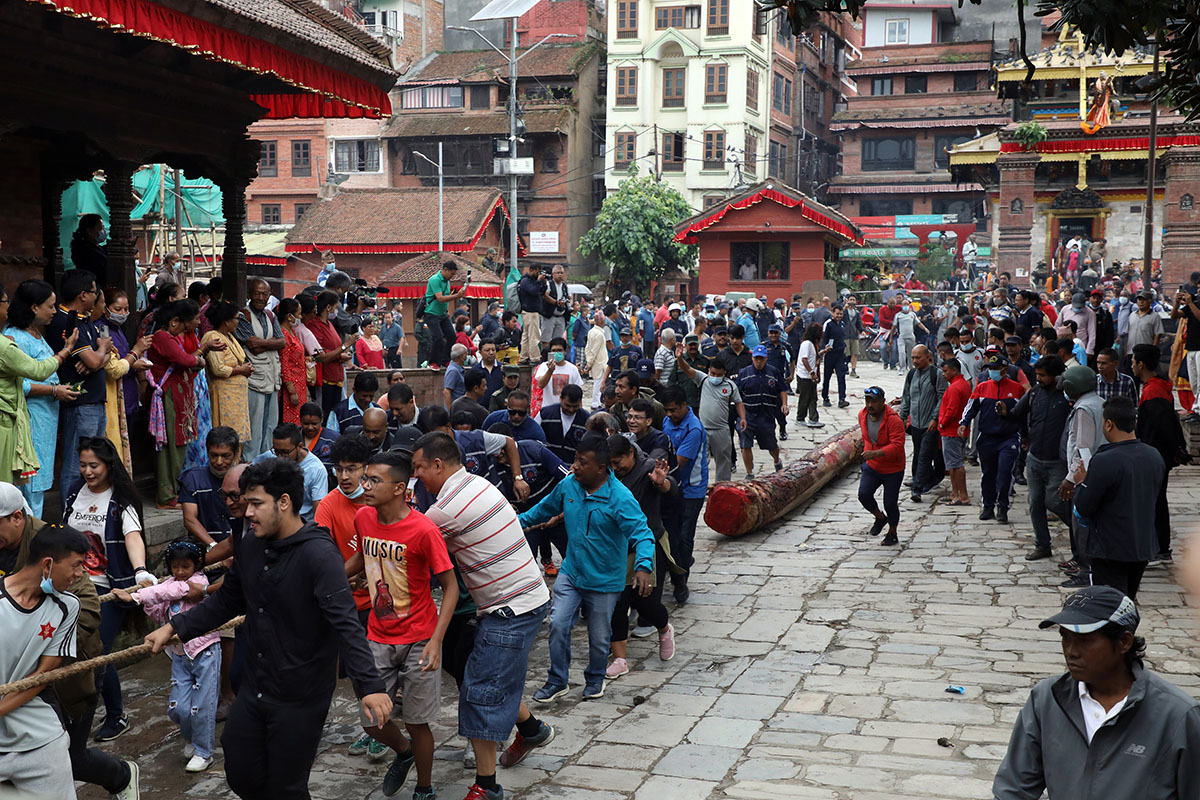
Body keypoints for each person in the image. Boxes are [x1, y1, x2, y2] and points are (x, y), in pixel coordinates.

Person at [146, 458, 392, 800]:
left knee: (286, 787)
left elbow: (347, 626)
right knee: (241, 770)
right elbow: (225, 602)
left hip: (301, 696)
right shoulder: (250, 547)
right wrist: (174, 626)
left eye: (256, 504)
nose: (247, 513)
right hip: (256, 684)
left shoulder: (320, 556)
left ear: (285, 502)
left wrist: (370, 687)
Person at [412, 432, 552, 798]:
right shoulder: (476, 483)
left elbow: (410, 542)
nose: (416, 478)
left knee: (480, 692)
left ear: (438, 465)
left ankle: (486, 787)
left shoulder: (447, 508)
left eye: (419, 469)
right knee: (481, 671)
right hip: (523, 598)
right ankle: (531, 729)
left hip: (510, 609)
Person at [993, 586, 1200, 799]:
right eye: (1065, 637)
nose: (1071, 651)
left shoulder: (1178, 717)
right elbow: (1013, 789)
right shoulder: (1046, 699)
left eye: (1085, 640)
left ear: (1124, 642)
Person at [344, 451, 458, 799]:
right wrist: (330, 580)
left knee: (418, 722)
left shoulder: (423, 530)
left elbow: (451, 587)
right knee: (370, 718)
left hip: (419, 638)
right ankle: (404, 752)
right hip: (378, 635)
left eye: (374, 480)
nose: (365, 485)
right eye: (365, 478)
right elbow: (362, 557)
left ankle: (424, 788)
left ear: (398, 489)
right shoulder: (364, 518)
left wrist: (437, 640)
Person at [521, 433, 654, 703]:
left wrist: (643, 566)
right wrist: (513, 523)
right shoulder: (569, 486)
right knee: (558, 623)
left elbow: (642, 533)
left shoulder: (620, 498)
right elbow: (542, 509)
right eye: (575, 460)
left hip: (605, 580)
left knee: (599, 635)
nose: (574, 467)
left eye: (582, 462)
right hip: (572, 572)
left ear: (601, 469)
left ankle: (594, 678)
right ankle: (557, 680)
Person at [62, 437, 151, 742]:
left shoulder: (121, 498)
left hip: (108, 590)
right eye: (84, 464)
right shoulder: (74, 490)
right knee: (76, 654)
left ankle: (114, 715)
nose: (88, 471)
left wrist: (140, 571)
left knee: (98, 651)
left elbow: (133, 536)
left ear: (108, 465)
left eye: (94, 465)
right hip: (71, 586)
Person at [111, 540, 220, 772]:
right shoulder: (168, 584)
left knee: (202, 706)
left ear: (196, 566)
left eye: (185, 567)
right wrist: (147, 600)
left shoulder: (198, 582)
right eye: (175, 567)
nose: (179, 573)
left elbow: (173, 591)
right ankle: (191, 739)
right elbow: (159, 610)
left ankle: (204, 751)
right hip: (180, 653)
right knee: (178, 708)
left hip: (205, 649)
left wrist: (137, 596)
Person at [0, 523, 86, 799]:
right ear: (48, 564)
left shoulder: (67, 606)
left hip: (37, 736)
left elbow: (42, 676)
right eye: (75, 565)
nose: (80, 574)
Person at [1070, 396, 1163, 599]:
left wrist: (1081, 483)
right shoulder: (1154, 456)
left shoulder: (1104, 460)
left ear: (1109, 424)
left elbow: (1083, 509)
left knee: (1108, 603)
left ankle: (1121, 631)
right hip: (1142, 545)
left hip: (1109, 548)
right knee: (1128, 599)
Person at [604, 435, 676, 680]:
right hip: (617, 547)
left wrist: (661, 483)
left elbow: (672, 489)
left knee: (644, 601)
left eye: (618, 462)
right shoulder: (607, 475)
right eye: (610, 463)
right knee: (618, 601)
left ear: (631, 455)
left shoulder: (648, 469)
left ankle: (664, 628)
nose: (615, 468)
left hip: (647, 544)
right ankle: (620, 658)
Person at [2, 280, 78, 513]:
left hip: (45, 416)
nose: (55, 311)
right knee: (28, 481)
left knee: (39, 477)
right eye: (51, 306)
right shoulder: (14, 338)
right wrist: (54, 390)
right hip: (28, 417)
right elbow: (24, 383)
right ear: (34, 307)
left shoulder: (34, 332)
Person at [147, 299, 221, 507]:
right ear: (176, 321)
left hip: (181, 396)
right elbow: (186, 360)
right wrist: (199, 359)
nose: (199, 322)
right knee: (170, 445)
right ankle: (166, 495)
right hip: (170, 396)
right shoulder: (163, 337)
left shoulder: (174, 337)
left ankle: (172, 491)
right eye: (195, 318)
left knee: (180, 444)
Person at [45, 269, 112, 495]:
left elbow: (101, 358)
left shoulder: (84, 320)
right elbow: (97, 358)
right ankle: (70, 518)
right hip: (80, 403)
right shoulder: (66, 321)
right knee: (78, 465)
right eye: (94, 293)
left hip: (94, 400)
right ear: (83, 295)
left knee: (95, 461)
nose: (96, 297)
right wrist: (100, 350)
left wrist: (98, 357)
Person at [1003, 355, 1071, 561]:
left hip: (1057, 461)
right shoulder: (1034, 393)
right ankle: (1042, 544)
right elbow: (1017, 413)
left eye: (1043, 376)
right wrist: (1005, 412)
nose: (1039, 379)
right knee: (1035, 503)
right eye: (1038, 375)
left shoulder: (1067, 397)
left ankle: (1080, 531)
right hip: (1035, 457)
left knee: (1055, 502)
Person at [1131, 343, 1190, 562]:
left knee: (1153, 501)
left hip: (1155, 454)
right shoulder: (1156, 387)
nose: (1132, 365)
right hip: (1158, 453)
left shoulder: (1153, 391)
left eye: (1134, 362)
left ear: (1141, 364)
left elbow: (1164, 425)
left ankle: (1158, 547)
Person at [959, 353, 1025, 523]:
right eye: (990, 369)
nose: (992, 372)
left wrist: (1025, 435)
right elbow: (971, 407)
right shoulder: (982, 387)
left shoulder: (1016, 389)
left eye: (996, 369)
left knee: (1004, 473)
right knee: (988, 474)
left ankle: (1002, 507)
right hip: (987, 438)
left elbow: (1024, 414)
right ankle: (988, 506)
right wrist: (964, 422)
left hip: (1008, 438)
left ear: (1004, 369)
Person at [1059, 365, 1107, 588]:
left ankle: (1086, 571)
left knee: (1082, 524)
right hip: (1100, 471)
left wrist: (1071, 478)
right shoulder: (1099, 402)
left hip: (1085, 476)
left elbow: (1083, 448)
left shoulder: (1084, 409)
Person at [660, 386, 707, 603]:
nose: (669, 415)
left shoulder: (694, 429)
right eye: (666, 410)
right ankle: (680, 563)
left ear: (684, 406)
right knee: (671, 533)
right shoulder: (668, 421)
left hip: (691, 488)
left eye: (673, 410)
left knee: (685, 534)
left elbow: (678, 462)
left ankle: (681, 581)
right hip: (671, 486)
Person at [100, 288, 151, 473]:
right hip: (113, 390)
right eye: (117, 309)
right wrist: (135, 353)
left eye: (126, 309)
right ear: (105, 308)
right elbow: (114, 365)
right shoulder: (103, 329)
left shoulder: (118, 329)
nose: (123, 314)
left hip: (128, 389)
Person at [236, 279, 285, 461]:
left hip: (272, 378)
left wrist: (263, 343)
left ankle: (267, 461)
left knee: (270, 424)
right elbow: (251, 345)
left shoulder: (270, 316)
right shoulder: (243, 316)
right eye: (257, 293)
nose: (261, 298)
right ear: (249, 294)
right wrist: (270, 343)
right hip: (254, 379)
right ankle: (250, 463)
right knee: (254, 426)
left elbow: (282, 342)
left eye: (265, 294)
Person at [202, 300, 253, 451]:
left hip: (238, 395)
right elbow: (218, 369)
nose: (239, 322)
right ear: (226, 321)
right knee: (226, 438)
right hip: (224, 394)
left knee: (238, 438)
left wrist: (246, 369)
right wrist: (240, 370)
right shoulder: (212, 337)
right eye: (237, 318)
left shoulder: (230, 336)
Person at [857, 386, 905, 545]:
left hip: (893, 469)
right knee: (864, 495)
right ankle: (880, 517)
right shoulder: (862, 415)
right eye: (867, 400)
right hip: (872, 466)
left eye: (874, 401)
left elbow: (898, 445)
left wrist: (876, 453)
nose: (870, 405)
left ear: (883, 402)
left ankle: (892, 533)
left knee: (890, 503)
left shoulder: (894, 420)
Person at [899, 344, 946, 503]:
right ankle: (923, 479)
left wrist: (935, 418)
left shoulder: (936, 374)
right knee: (919, 452)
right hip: (916, 424)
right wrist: (902, 418)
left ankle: (917, 488)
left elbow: (942, 397)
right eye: (913, 358)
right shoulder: (911, 374)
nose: (915, 361)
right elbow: (906, 397)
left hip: (930, 424)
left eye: (918, 357)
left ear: (928, 357)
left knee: (925, 455)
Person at [253, 423, 330, 519]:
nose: (280, 457)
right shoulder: (271, 456)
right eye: (277, 452)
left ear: (300, 447)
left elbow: (318, 511)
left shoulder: (316, 470)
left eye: (285, 453)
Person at [738, 344, 788, 477]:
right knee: (745, 444)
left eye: (761, 359)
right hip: (748, 414)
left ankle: (777, 460)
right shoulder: (744, 374)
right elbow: (737, 396)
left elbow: (782, 389)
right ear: (752, 358)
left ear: (766, 358)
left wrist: (784, 404)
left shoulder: (773, 372)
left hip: (766, 414)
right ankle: (749, 472)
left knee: (771, 444)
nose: (759, 361)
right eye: (756, 359)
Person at [310, 291, 355, 416]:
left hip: (337, 376)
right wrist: (345, 346)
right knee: (325, 414)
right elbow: (320, 355)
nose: (336, 311)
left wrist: (342, 355)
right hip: (325, 379)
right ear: (328, 307)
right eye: (335, 308)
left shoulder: (329, 324)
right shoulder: (315, 325)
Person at [936, 358, 972, 506]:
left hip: (951, 431)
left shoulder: (955, 388)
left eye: (945, 371)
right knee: (952, 463)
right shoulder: (963, 385)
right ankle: (954, 493)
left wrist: (942, 424)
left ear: (954, 370)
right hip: (957, 430)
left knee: (956, 464)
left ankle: (962, 495)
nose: (943, 374)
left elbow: (952, 411)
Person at [423, 261, 466, 369]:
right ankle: (433, 362)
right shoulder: (435, 280)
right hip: (432, 314)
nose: (452, 277)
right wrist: (457, 296)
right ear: (445, 270)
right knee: (438, 338)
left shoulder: (447, 281)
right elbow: (440, 298)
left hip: (443, 314)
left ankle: (445, 360)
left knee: (451, 336)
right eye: (451, 274)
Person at [536, 383, 590, 465]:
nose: (571, 410)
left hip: (573, 469)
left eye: (575, 406)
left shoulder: (587, 419)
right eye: (567, 406)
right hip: (547, 466)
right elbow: (533, 436)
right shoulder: (545, 414)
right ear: (560, 399)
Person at [276, 297, 309, 425]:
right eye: (298, 314)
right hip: (291, 387)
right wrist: (291, 391)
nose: (300, 317)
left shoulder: (292, 332)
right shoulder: (284, 334)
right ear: (289, 316)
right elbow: (284, 364)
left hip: (299, 384)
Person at [821, 305, 849, 408]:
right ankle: (825, 397)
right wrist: (825, 347)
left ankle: (842, 399)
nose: (839, 316)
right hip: (830, 354)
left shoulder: (842, 324)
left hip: (840, 355)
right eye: (837, 313)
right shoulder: (828, 324)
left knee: (841, 377)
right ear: (832, 313)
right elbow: (824, 339)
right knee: (827, 377)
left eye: (841, 314)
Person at [583, 311, 610, 409]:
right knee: (599, 383)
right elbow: (594, 351)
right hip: (599, 362)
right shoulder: (599, 334)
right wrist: (589, 364)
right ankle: (596, 403)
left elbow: (587, 348)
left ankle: (597, 402)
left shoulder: (592, 332)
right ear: (602, 322)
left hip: (596, 362)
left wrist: (588, 361)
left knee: (597, 383)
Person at [540, 263, 569, 346]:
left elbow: (567, 297)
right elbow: (545, 295)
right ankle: (545, 356)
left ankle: (557, 358)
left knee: (558, 341)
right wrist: (556, 302)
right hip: (550, 315)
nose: (560, 275)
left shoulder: (564, 286)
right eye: (558, 273)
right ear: (553, 274)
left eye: (561, 273)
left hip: (561, 316)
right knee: (546, 340)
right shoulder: (549, 284)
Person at [443, 342, 469, 407]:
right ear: (462, 356)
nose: (467, 357)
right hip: (456, 409)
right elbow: (447, 392)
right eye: (466, 354)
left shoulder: (459, 369)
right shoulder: (453, 371)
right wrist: (451, 410)